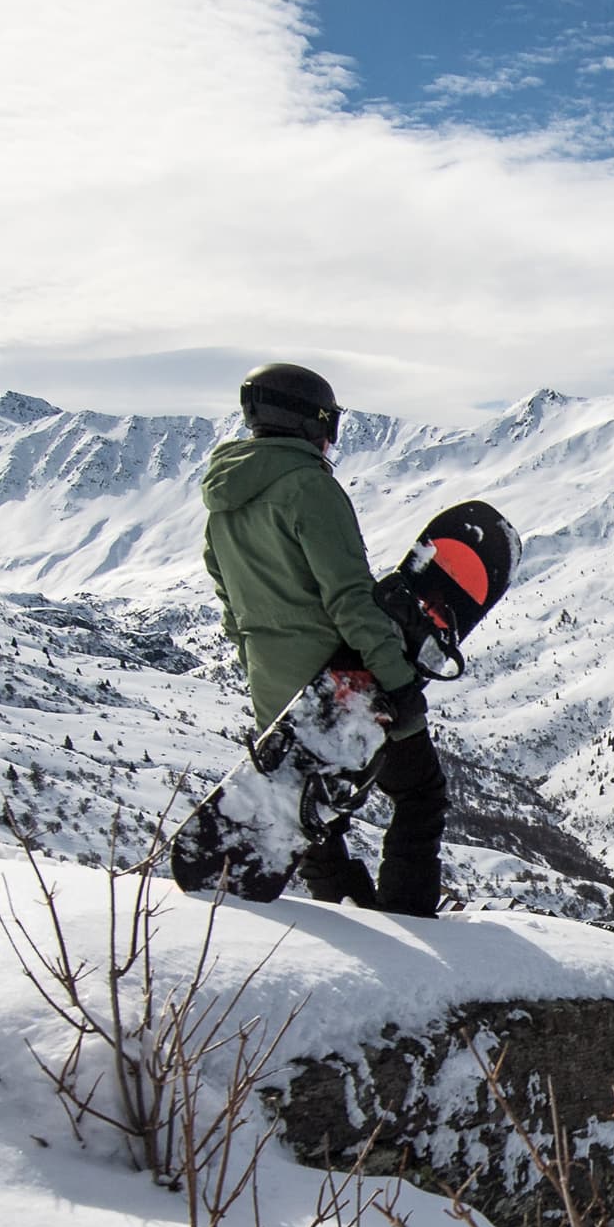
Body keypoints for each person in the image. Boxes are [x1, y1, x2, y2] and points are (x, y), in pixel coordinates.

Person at [198, 361, 448, 916]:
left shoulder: (221, 503)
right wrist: (397, 681)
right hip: (343, 679)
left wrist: (266, 680)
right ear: (311, 422)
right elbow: (350, 600)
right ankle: (409, 917)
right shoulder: (310, 488)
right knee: (419, 793)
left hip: (277, 690)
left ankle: (342, 906)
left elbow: (231, 610)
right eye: (329, 422)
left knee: (307, 811)